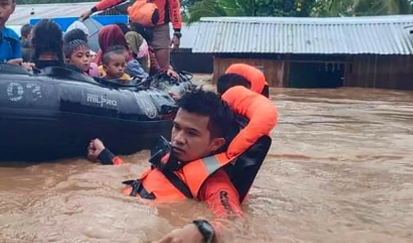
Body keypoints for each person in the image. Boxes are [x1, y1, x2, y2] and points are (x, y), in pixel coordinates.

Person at [88, 85, 277, 243]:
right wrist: (106, 156)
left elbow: (235, 223)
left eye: (191, 133)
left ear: (216, 144)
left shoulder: (215, 185)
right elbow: (142, 180)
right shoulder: (171, 160)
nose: (178, 139)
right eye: (177, 127)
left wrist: (203, 230)